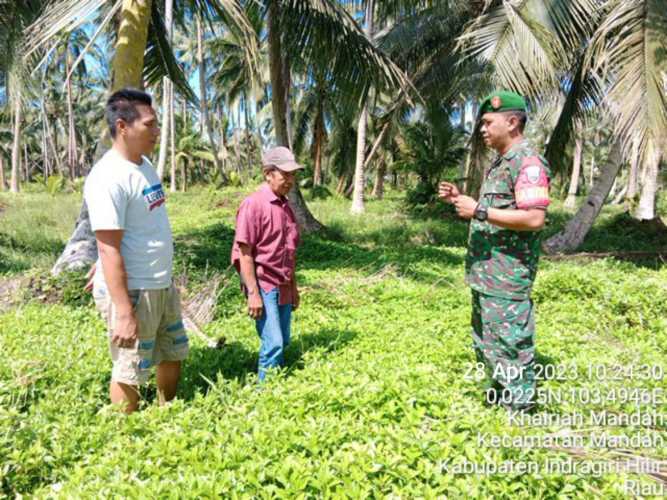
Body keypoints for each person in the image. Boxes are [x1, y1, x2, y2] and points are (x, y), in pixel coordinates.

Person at [439, 90, 550, 412]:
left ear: (512, 122)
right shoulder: (502, 163)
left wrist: (480, 211)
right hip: (487, 274)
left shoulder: (528, 163)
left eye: (488, 122)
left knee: (510, 343)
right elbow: (495, 211)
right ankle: (501, 398)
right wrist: (463, 200)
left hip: (507, 275)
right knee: (488, 340)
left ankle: (521, 409)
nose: (482, 130)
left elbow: (534, 218)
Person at [85, 88, 188, 413]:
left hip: (159, 282)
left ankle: (165, 412)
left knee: (172, 351)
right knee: (130, 368)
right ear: (122, 127)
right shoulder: (108, 177)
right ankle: (126, 438)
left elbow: (133, 226)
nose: (157, 132)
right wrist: (124, 311)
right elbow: (108, 246)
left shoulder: (142, 165)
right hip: (133, 290)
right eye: (150, 125)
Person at [231, 146, 302, 382]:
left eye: (292, 175)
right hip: (263, 283)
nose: (290, 181)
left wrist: (293, 287)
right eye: (285, 175)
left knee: (283, 339)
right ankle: (266, 393)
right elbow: (245, 252)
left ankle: (276, 385)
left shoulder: (286, 207)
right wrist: (253, 293)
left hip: (282, 282)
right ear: (268, 174)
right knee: (273, 343)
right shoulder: (253, 204)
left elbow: (289, 252)